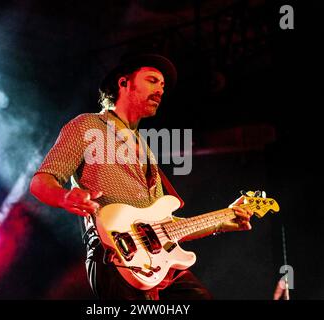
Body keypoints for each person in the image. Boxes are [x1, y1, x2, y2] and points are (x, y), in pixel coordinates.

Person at [29, 53, 253, 300]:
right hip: (115, 254)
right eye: (152, 80)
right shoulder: (86, 125)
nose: (160, 90)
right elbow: (41, 181)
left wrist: (222, 220)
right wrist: (64, 197)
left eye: (163, 86)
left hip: (159, 262)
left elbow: (163, 227)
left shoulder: (145, 150)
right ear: (124, 83)